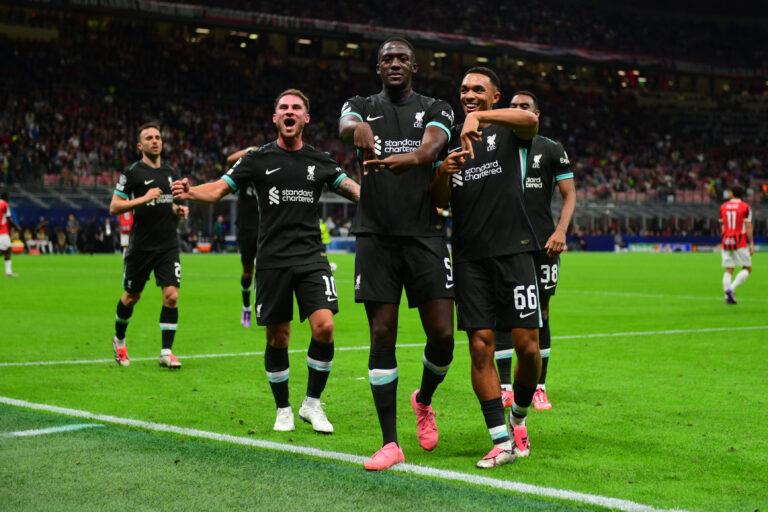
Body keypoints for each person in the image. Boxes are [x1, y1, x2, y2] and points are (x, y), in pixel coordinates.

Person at [173, 89, 360, 434]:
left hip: (311, 257)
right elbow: (217, 189)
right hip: (272, 259)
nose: (289, 112)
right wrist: (189, 192)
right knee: (279, 337)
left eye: (296, 108)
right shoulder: (257, 159)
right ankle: (283, 408)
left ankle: (312, 404)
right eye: (283, 108)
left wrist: (389, 200)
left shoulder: (320, 159)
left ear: (306, 118)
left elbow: (353, 189)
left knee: (326, 326)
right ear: (275, 118)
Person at [339, 37, 456, 470]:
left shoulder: (437, 108)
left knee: (443, 335)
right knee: (382, 332)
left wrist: (397, 161)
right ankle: (390, 443)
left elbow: (430, 150)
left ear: (414, 67)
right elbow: (345, 125)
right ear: (377, 67)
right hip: (376, 234)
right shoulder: (359, 104)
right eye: (387, 58)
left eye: (402, 58)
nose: (394, 63)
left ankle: (423, 400)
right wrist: (358, 129)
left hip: (426, 233)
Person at [430, 67, 540, 468]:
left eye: (478, 89)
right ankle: (499, 440)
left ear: (496, 95)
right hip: (469, 256)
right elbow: (438, 200)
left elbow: (530, 119)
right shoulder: (452, 139)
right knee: (480, 345)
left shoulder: (507, 127)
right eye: (464, 90)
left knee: (528, 348)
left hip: (514, 250)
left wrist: (483, 117)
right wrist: (443, 173)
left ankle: (520, 417)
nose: (469, 94)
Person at [494, 91, 576, 411]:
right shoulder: (496, 146)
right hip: (503, 243)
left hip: (543, 244)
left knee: (541, 313)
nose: (517, 111)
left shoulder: (552, 149)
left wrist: (560, 231)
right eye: (512, 107)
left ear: (536, 114)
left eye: (524, 107)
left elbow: (569, 196)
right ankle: (504, 386)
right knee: (503, 316)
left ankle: (539, 386)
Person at [109, 122, 189, 369]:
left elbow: (167, 203)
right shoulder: (131, 173)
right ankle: (120, 340)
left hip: (168, 246)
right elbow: (114, 207)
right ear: (140, 145)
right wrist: (143, 198)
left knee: (172, 296)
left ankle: (166, 352)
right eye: (149, 138)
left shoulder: (169, 171)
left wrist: (178, 209)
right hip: (141, 247)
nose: (155, 141)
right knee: (132, 297)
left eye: (158, 137)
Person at [227, 147, 260, 328]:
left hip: (266, 229)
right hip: (246, 229)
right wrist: (249, 150)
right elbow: (230, 161)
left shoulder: (268, 174)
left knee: (266, 271)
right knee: (248, 272)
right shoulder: (243, 176)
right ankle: (246, 307)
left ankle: (263, 308)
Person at [719, 183, 754, 304]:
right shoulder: (745, 207)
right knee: (747, 268)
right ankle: (731, 290)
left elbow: (721, 224)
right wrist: (752, 243)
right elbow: (748, 225)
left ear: (732, 193)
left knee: (729, 269)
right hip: (739, 240)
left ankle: (727, 298)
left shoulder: (723, 207)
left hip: (726, 240)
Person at [1, 190, 20, 277]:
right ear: (6, 197)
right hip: (2, 231)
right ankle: (8, 272)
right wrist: (16, 227)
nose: (9, 198)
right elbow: (9, 218)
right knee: (4, 250)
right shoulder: (5, 204)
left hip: (3, 231)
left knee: (7, 250)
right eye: (9, 196)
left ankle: (8, 272)